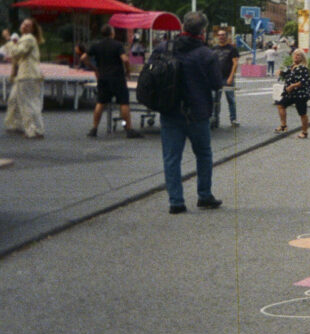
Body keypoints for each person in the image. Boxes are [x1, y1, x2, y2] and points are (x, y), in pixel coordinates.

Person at [155, 11, 223, 214]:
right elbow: (216, 83)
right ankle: (204, 195)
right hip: (197, 111)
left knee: (171, 157)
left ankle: (176, 201)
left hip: (169, 109)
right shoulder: (206, 54)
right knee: (203, 154)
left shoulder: (164, 48)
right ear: (202, 31)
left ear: (182, 27)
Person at [83, 24, 142, 138]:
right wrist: (128, 71)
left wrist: (93, 68)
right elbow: (125, 59)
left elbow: (83, 57)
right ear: (112, 33)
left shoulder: (96, 45)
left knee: (100, 102)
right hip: (117, 77)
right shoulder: (118, 45)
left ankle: (94, 128)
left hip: (103, 77)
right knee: (123, 102)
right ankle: (128, 129)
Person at [4, 18, 45, 138]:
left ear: (32, 29)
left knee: (27, 103)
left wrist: (9, 39)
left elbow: (17, 52)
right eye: (24, 24)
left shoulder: (28, 38)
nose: (24, 26)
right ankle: (18, 124)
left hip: (27, 75)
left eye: (28, 25)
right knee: (15, 100)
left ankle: (34, 130)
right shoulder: (25, 39)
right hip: (27, 74)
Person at [275, 48, 310, 138]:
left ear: (302, 58)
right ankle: (283, 126)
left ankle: (304, 132)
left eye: (298, 55)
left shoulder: (303, 68)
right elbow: (286, 74)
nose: (295, 56)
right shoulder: (291, 66)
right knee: (281, 105)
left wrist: (292, 86)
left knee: (302, 113)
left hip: (300, 94)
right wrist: (280, 72)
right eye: (294, 54)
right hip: (290, 93)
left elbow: (303, 81)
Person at [211, 27, 240, 128]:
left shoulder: (232, 49)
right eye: (219, 35)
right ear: (217, 37)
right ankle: (215, 119)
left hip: (227, 79)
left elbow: (235, 63)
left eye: (223, 35)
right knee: (215, 100)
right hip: (216, 79)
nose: (221, 37)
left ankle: (233, 119)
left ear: (226, 37)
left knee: (231, 100)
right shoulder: (213, 49)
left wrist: (231, 77)